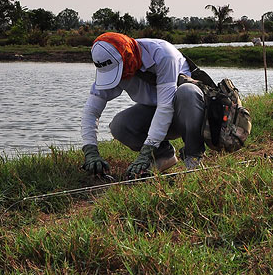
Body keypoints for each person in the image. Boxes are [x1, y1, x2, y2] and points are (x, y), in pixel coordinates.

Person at [80, 32, 207, 179]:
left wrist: (146, 151)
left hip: (186, 113)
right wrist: (90, 150)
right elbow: (91, 111)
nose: (119, 76)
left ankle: (194, 159)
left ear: (128, 57)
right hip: (156, 113)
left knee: (187, 92)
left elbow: (165, 107)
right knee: (119, 125)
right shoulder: (110, 64)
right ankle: (163, 155)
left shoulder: (163, 54)